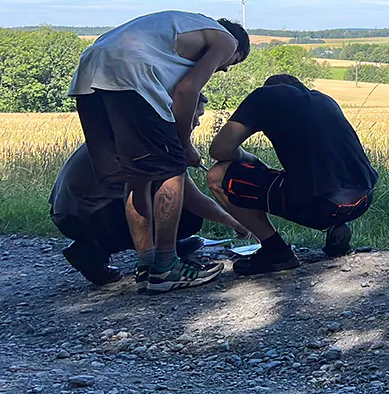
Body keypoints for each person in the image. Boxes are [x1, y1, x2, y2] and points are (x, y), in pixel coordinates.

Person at [69, 10, 250, 293]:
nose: (222, 69)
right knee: (171, 171)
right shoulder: (225, 40)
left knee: (137, 174)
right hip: (131, 70)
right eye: (230, 64)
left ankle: (147, 265)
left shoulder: (181, 28)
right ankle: (167, 266)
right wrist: (184, 145)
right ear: (236, 49)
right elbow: (187, 90)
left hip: (91, 69)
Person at [51, 95, 251, 285]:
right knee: (186, 215)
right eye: (197, 116)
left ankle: (165, 247)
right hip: (91, 218)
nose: (198, 123)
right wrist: (235, 223)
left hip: (66, 212)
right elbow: (193, 200)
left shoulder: (138, 129)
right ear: (183, 113)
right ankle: (91, 252)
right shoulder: (158, 139)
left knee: (161, 196)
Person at [207, 74, 379, 275]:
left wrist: (246, 156)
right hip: (363, 199)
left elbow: (219, 150)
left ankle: (276, 251)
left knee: (217, 175)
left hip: (323, 204)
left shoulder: (264, 97)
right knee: (320, 176)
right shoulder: (324, 100)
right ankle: (337, 228)